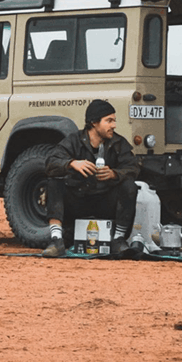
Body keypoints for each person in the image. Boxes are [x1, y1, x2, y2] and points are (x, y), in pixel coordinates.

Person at [41, 99, 141, 258]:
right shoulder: (73, 141)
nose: (113, 125)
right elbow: (50, 163)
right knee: (53, 183)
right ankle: (56, 241)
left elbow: (133, 167)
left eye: (114, 121)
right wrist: (71, 163)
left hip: (105, 202)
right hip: (78, 201)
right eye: (109, 121)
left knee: (129, 186)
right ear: (94, 123)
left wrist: (115, 174)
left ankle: (118, 240)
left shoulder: (118, 143)